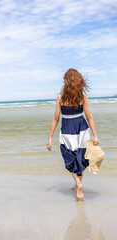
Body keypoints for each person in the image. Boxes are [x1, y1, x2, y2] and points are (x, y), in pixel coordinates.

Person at [47, 68, 99, 201]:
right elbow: (89, 117)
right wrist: (95, 135)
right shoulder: (83, 97)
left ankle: (78, 184)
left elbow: (56, 118)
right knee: (81, 160)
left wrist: (50, 137)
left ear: (65, 81)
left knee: (70, 159)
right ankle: (78, 186)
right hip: (82, 130)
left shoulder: (60, 98)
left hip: (67, 131)